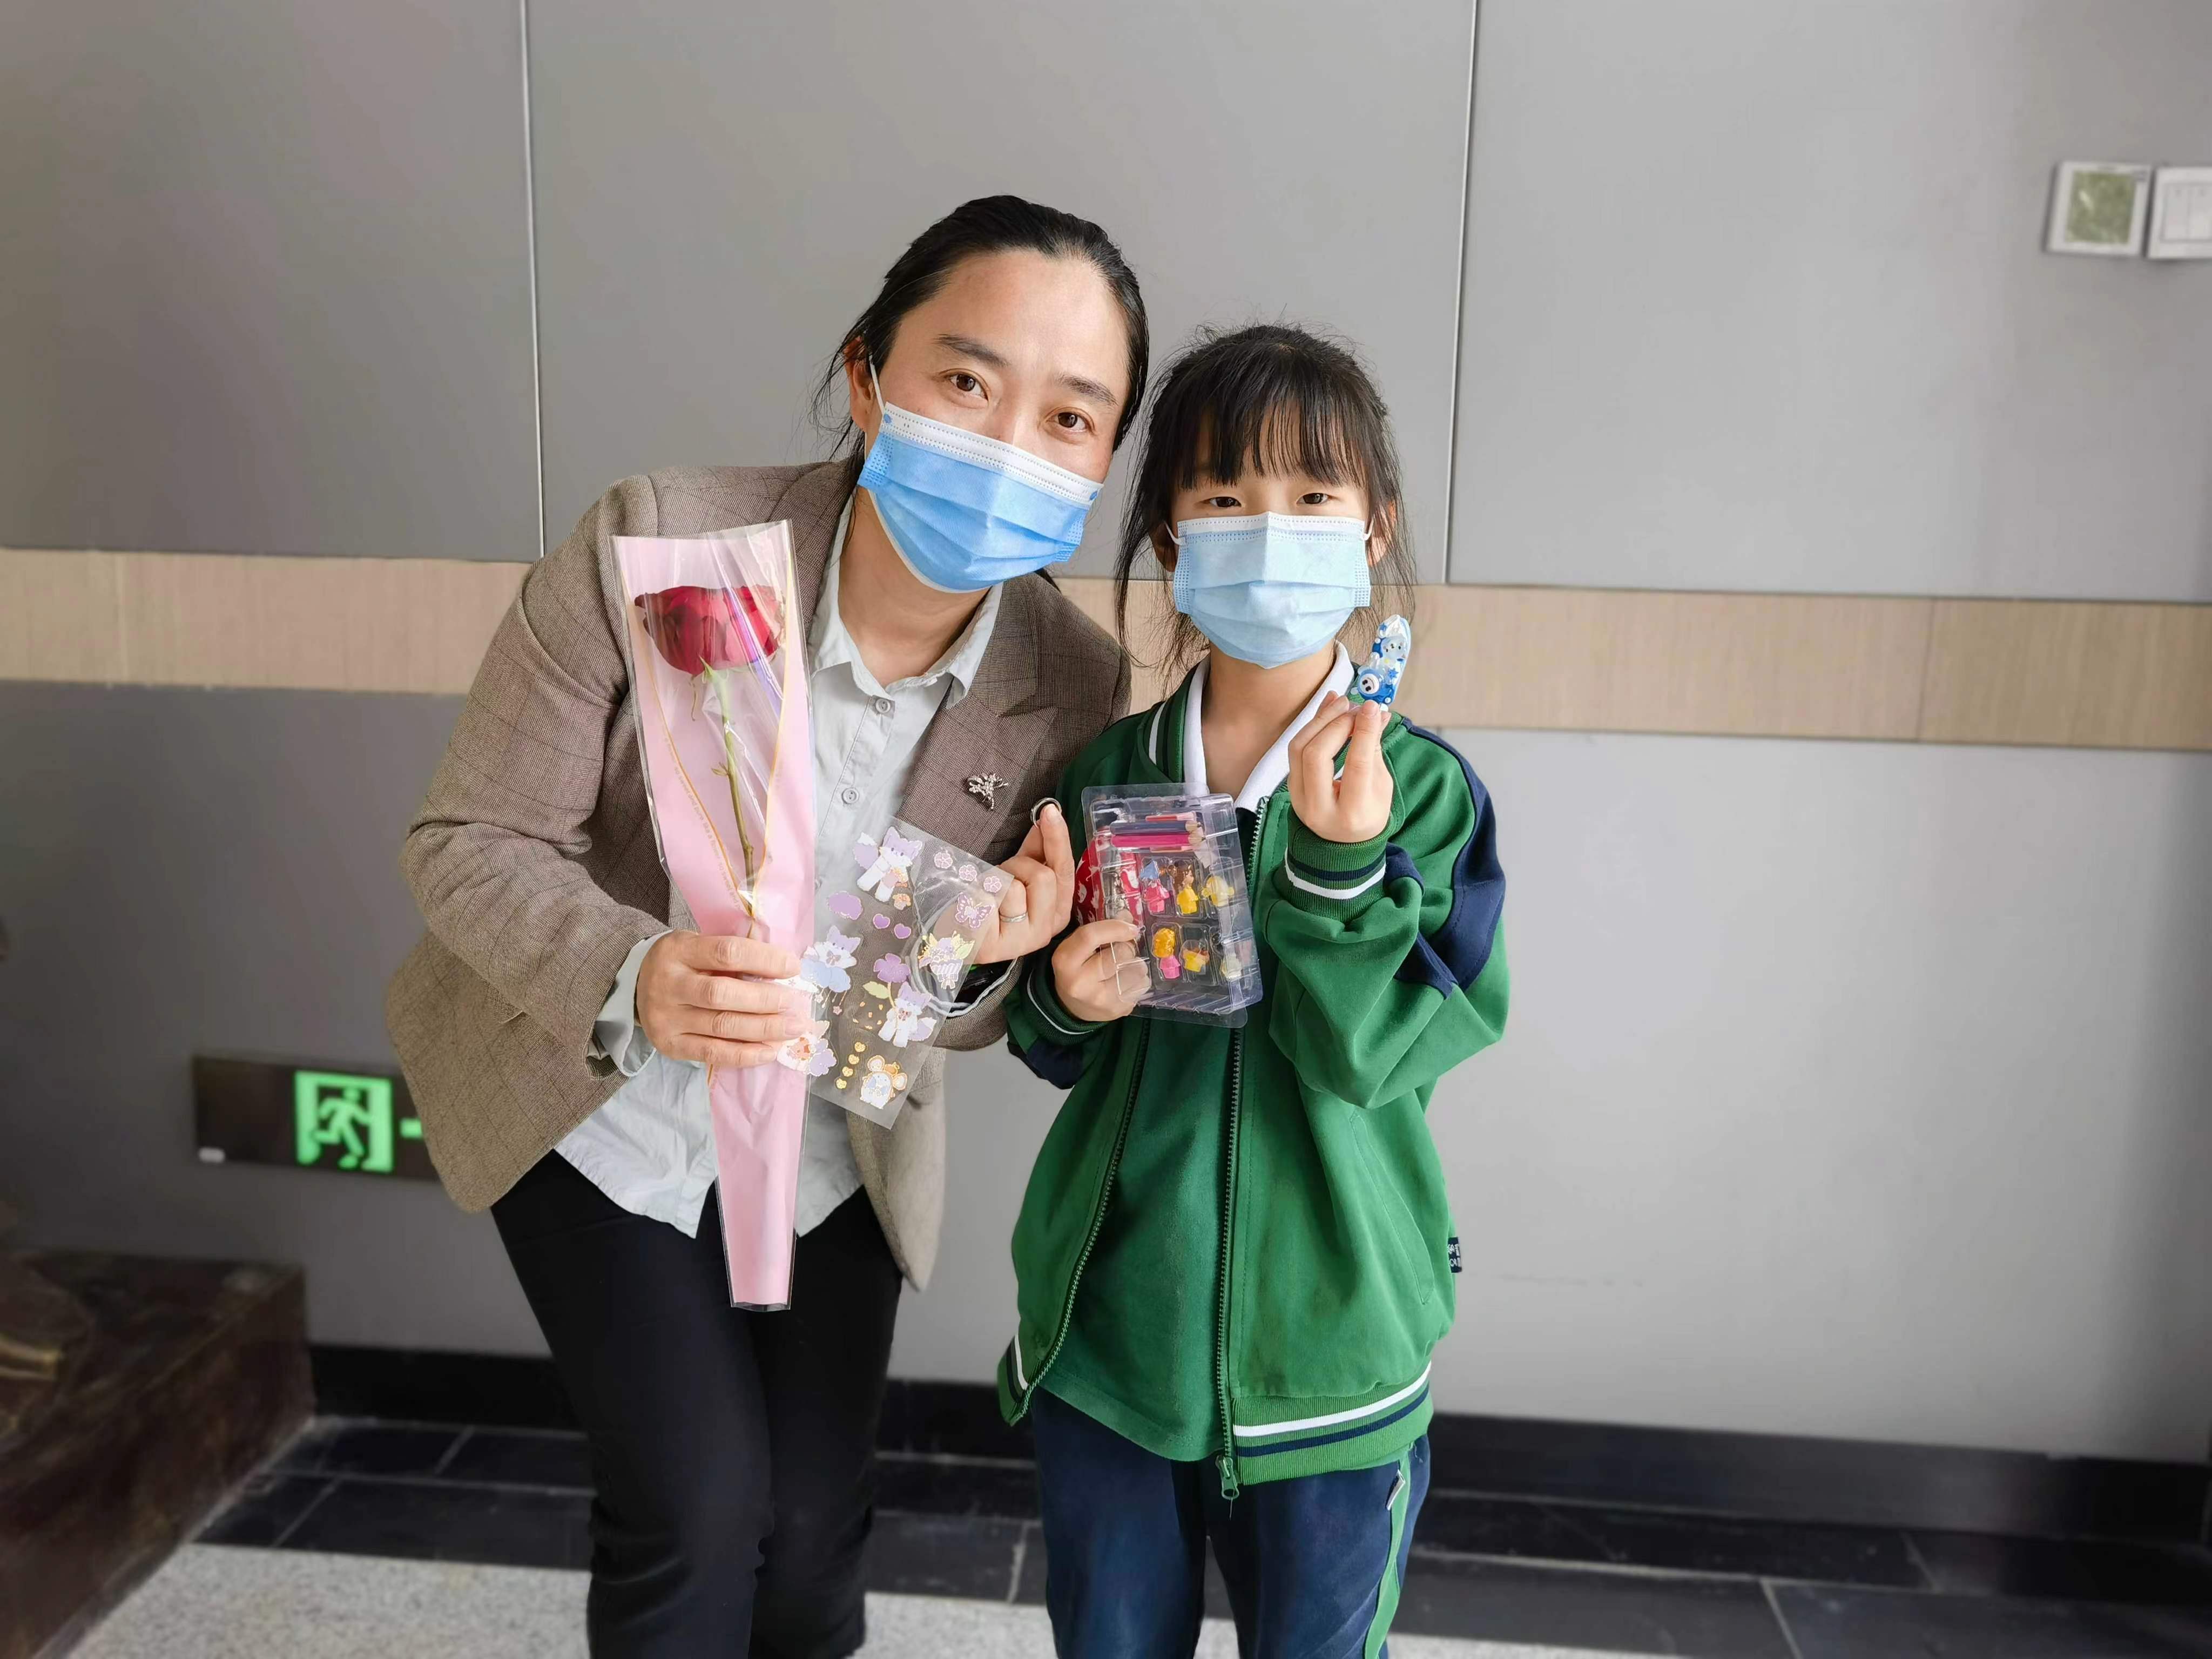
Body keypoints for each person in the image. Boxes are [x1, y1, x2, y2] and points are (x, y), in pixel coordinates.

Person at [387, 195, 1145, 1657]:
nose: (1007, 447)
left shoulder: (1071, 682)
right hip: (595, 1105)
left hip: (831, 1144)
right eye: (967, 381)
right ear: (867, 376)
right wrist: (631, 972)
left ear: (1104, 458)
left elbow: (956, 1007)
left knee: (807, 1543)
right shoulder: (665, 543)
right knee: (694, 1512)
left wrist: (981, 951)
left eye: (1068, 417)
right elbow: (467, 840)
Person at [999, 325, 1509, 1658]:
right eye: (1223, 495)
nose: (1267, 529)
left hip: (1330, 1353)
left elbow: (1376, 1055)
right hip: (1115, 1335)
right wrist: (1064, 999)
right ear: (1170, 534)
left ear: (1372, 524)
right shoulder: (1109, 770)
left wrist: (1337, 871)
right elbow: (1049, 1040)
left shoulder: (1422, 795)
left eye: (1311, 494)